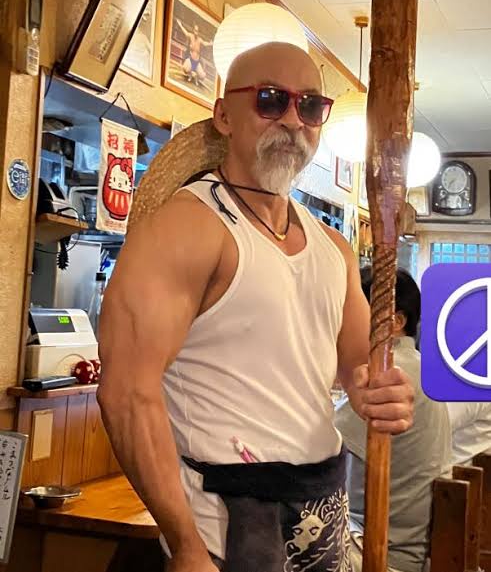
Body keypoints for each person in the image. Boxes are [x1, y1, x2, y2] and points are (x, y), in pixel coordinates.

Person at [97, 42, 415, 572]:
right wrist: (186, 545)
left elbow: (359, 368)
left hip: (322, 513)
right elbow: (127, 393)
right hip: (223, 529)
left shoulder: (333, 248)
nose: (293, 120)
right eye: (271, 99)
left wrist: (380, 393)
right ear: (224, 115)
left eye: (310, 105)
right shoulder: (188, 228)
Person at [335, 267, 451, 572]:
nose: (341, 323)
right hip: (410, 547)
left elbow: (312, 449)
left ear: (396, 322)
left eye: (353, 311)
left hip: (384, 554)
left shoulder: (389, 374)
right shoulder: (421, 366)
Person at [176, 20, 213, 86]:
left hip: (197, 62)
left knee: (203, 76)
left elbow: (205, 43)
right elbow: (185, 33)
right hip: (190, 60)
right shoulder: (191, 36)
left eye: (197, 31)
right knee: (185, 68)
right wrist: (180, 25)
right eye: (195, 30)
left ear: (198, 32)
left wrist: (211, 43)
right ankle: (191, 74)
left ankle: (195, 77)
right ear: (193, 30)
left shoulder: (200, 40)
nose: (196, 32)